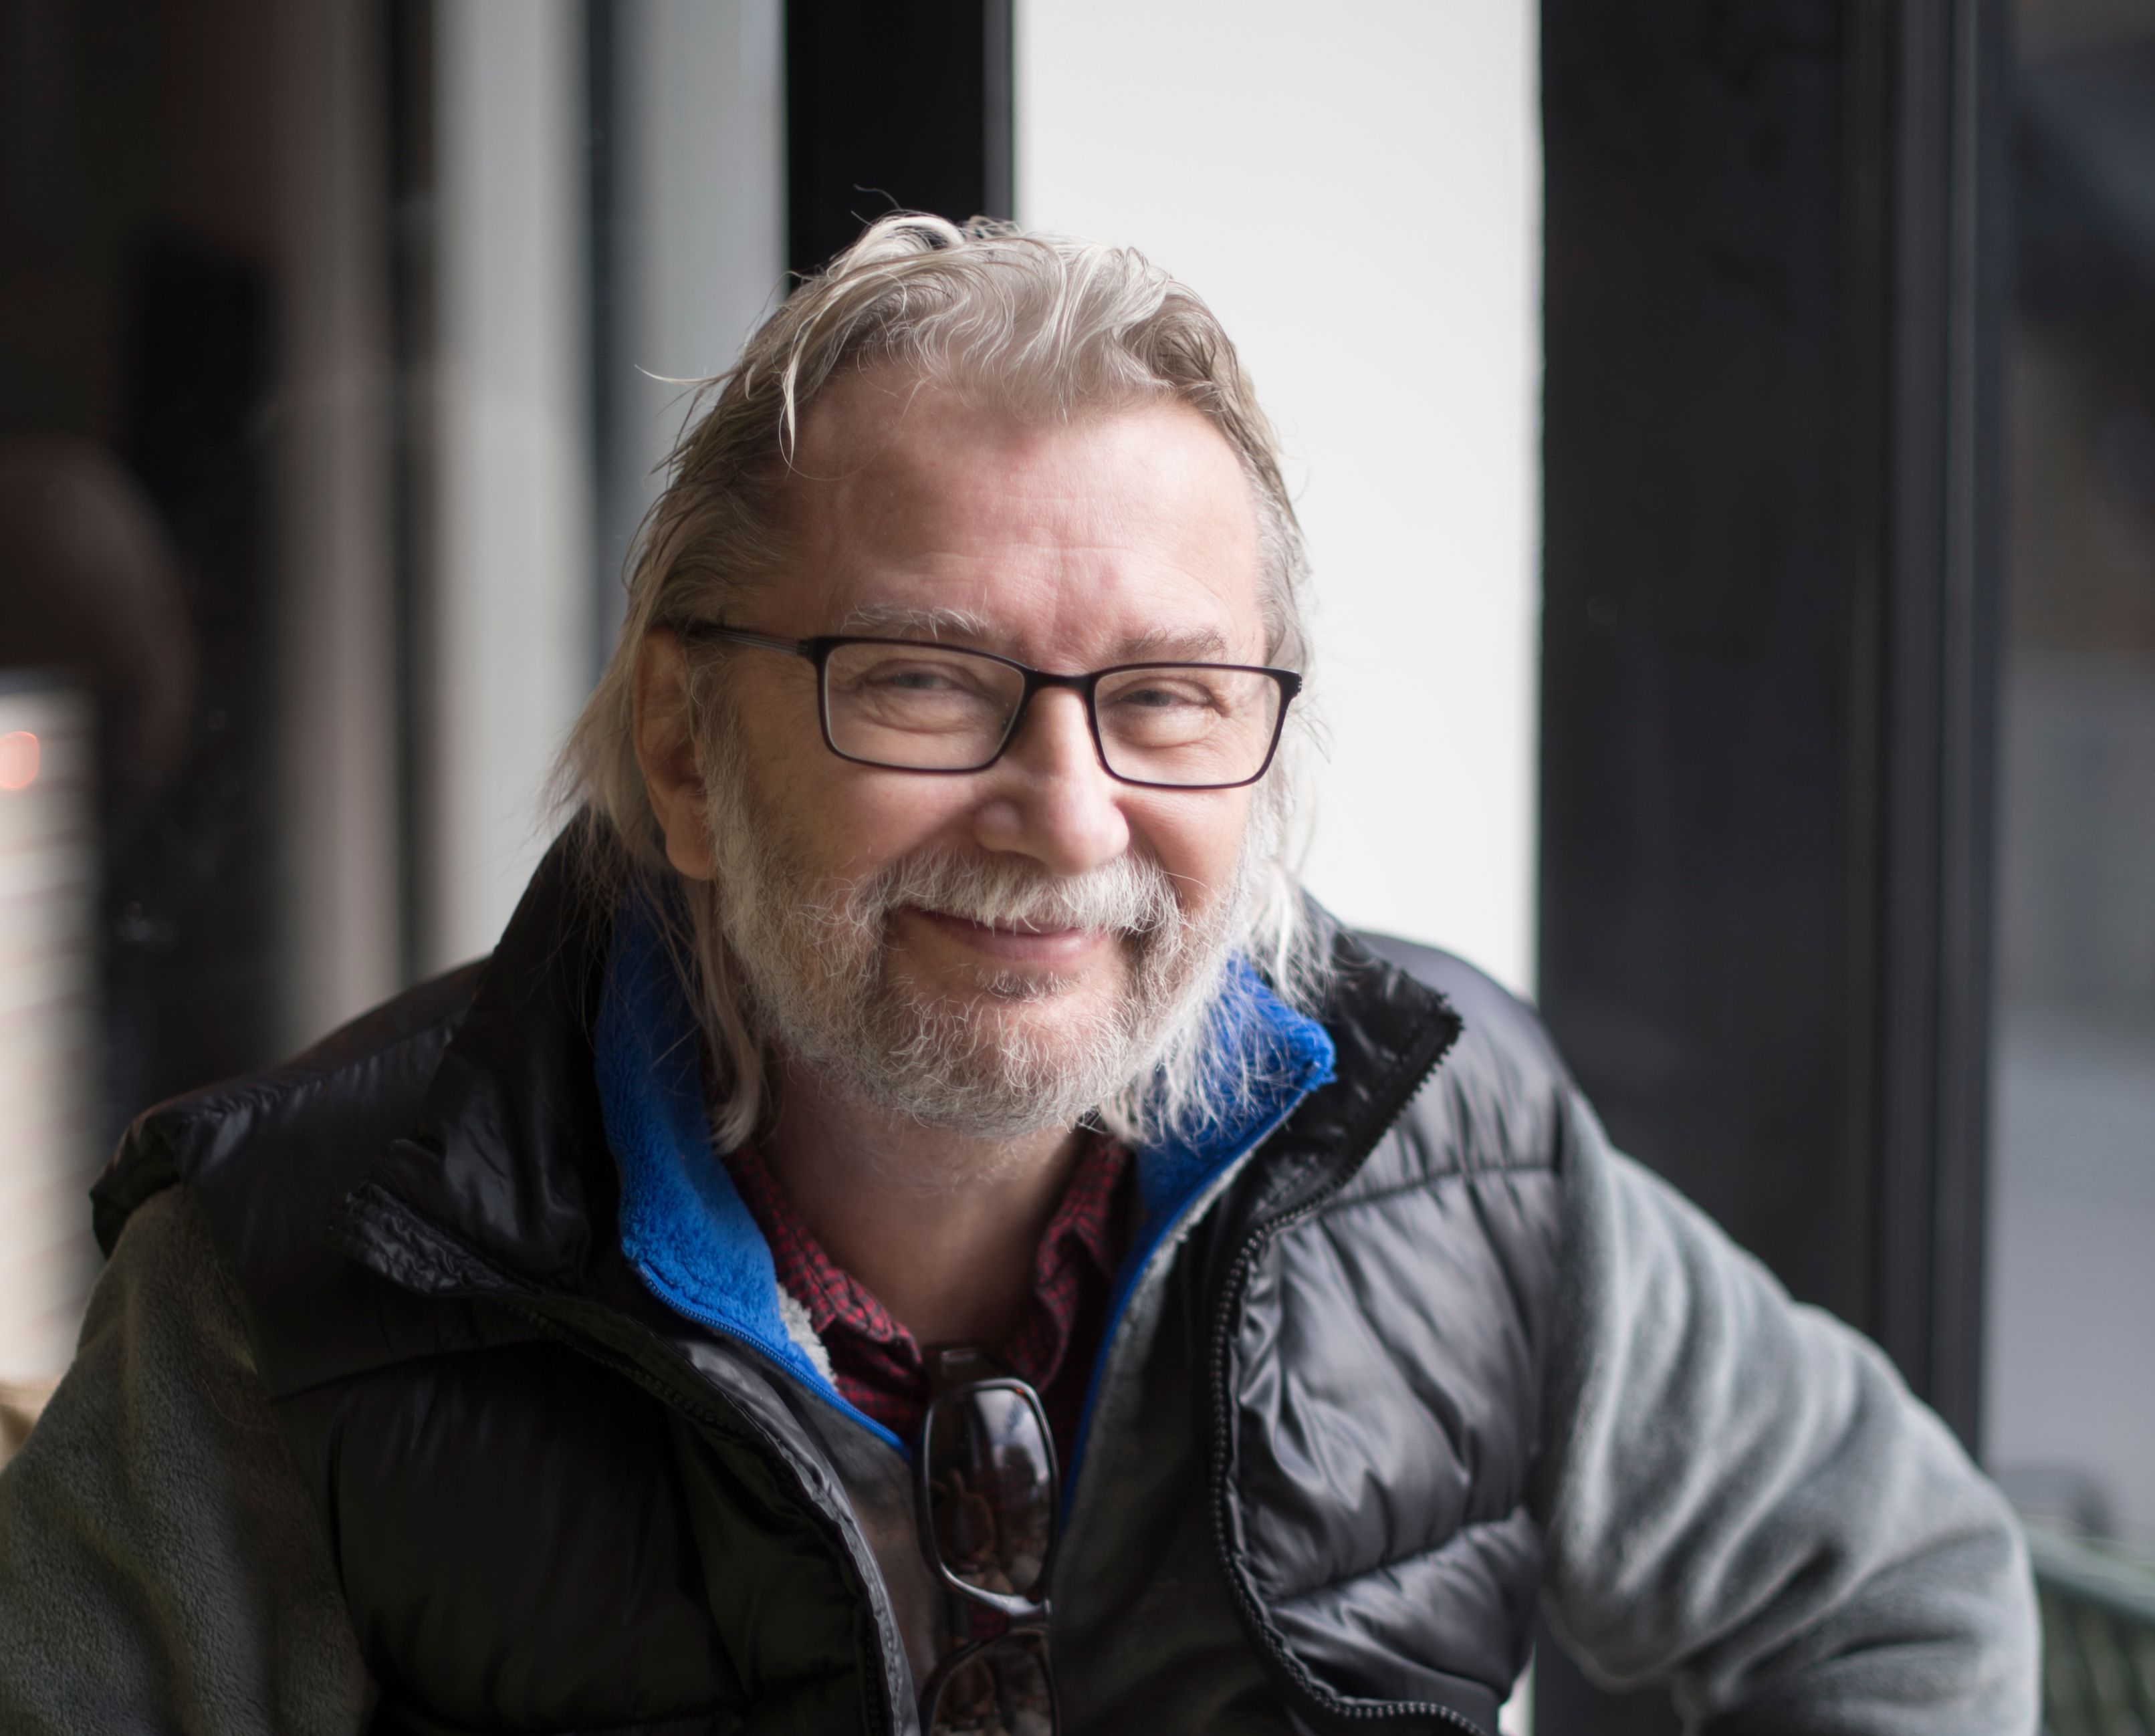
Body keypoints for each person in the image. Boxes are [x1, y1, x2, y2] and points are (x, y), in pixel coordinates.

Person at [0, 216, 2037, 1736]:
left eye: (1167, 697)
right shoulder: (300, 1273)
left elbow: (1901, 1590)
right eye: (922, 680)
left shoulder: (1443, 1142)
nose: (1068, 816)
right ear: (688, 754)